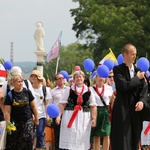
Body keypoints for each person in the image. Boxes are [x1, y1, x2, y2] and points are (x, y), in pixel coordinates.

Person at [111, 44, 148, 150]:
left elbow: (144, 88)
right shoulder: (118, 69)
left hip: (135, 109)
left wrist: (142, 101)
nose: (134, 56)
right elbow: (123, 86)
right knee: (122, 138)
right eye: (132, 54)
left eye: (135, 54)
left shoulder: (138, 70)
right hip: (122, 109)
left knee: (135, 137)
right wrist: (137, 78)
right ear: (125, 55)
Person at [56, 70, 97, 150]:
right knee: (70, 139)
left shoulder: (88, 90)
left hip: (84, 118)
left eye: (80, 77)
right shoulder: (69, 90)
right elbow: (62, 104)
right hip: (70, 116)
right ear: (74, 79)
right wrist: (58, 116)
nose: (79, 78)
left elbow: (93, 106)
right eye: (76, 77)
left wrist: (94, 118)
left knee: (81, 139)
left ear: (83, 78)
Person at [4, 74, 39, 150]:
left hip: (27, 122)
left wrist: (36, 118)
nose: (21, 83)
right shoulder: (10, 95)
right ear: (13, 83)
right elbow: (7, 112)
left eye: (21, 81)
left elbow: (33, 106)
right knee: (15, 144)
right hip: (15, 123)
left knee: (28, 142)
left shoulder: (27, 92)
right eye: (18, 82)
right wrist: (8, 123)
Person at [90, 74, 115, 150]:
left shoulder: (109, 88)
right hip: (96, 111)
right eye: (99, 76)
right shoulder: (91, 89)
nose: (101, 78)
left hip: (106, 112)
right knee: (96, 135)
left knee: (106, 134)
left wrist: (112, 100)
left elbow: (111, 102)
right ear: (96, 78)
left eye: (103, 76)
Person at [30, 70, 52, 150]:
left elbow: (46, 104)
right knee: (31, 134)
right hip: (31, 115)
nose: (33, 78)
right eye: (32, 76)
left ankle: (39, 148)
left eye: (35, 76)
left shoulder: (45, 89)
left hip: (41, 115)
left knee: (40, 133)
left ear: (39, 78)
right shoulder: (29, 89)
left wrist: (47, 115)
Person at [50, 73, 69, 150]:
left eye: (62, 78)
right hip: (57, 114)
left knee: (67, 134)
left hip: (67, 114)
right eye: (59, 78)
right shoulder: (52, 91)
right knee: (58, 134)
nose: (61, 80)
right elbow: (50, 104)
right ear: (56, 81)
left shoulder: (69, 89)